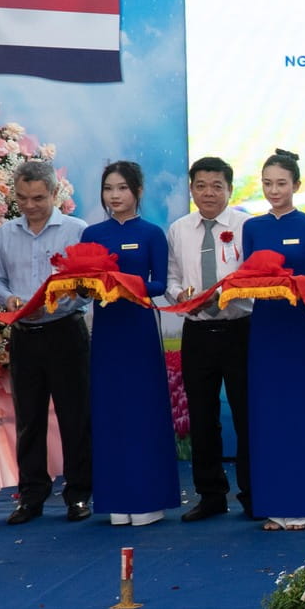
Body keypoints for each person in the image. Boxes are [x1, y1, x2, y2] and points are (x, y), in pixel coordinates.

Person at [0, 159, 91, 525]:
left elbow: (87, 287)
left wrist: (64, 300)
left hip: (65, 332)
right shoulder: (6, 233)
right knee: (28, 419)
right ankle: (31, 494)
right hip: (24, 336)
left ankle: (78, 494)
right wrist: (8, 299)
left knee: (74, 416)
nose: (29, 205)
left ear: (55, 194)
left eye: (38, 198)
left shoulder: (77, 231)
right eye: (22, 198)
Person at [82, 161, 179, 526]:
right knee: (110, 412)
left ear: (137, 191)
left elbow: (159, 285)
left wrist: (123, 284)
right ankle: (116, 498)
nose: (115, 195)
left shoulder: (153, 233)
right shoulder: (91, 234)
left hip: (138, 326)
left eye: (122, 188)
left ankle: (149, 498)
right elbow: (81, 282)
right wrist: (84, 284)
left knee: (143, 411)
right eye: (109, 188)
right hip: (106, 329)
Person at [241, 149, 305, 531]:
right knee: (270, 415)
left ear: (296, 185)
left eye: (281, 183)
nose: (273, 190)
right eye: (267, 183)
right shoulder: (253, 228)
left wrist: (296, 287)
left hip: (300, 327)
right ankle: (274, 504)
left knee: (302, 414)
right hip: (266, 329)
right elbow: (248, 275)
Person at [166, 157, 253, 521]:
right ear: (191, 189)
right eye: (201, 185)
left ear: (230, 189)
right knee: (202, 417)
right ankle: (210, 494)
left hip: (240, 330)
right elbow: (171, 277)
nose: (209, 193)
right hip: (197, 331)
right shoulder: (179, 229)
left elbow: (255, 277)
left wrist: (231, 295)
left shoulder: (247, 226)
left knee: (247, 413)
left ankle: (253, 492)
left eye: (217, 186)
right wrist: (178, 296)